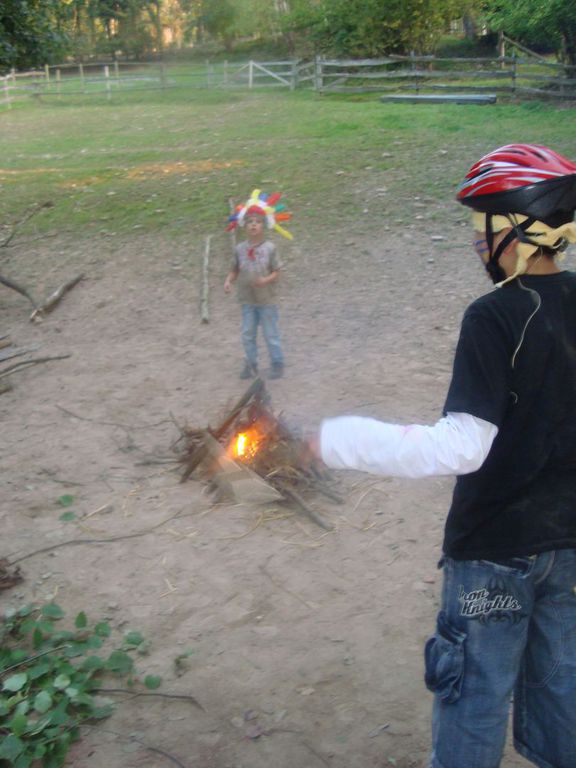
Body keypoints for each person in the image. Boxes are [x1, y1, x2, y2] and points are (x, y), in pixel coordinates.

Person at [311, 144, 576, 768]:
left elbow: (461, 446)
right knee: (561, 690)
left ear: (515, 228)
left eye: (482, 225)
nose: (476, 240)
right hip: (568, 547)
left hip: (493, 557)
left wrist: (332, 440)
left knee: (475, 698)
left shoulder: (494, 315)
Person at [224, 189, 292, 380]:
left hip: (267, 300)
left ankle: (277, 363)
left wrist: (265, 280)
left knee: (271, 334)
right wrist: (228, 280)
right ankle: (251, 364)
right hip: (247, 300)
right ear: (244, 225)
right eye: (250, 222)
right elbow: (235, 269)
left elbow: (277, 271)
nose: (253, 224)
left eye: (258, 222)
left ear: (264, 225)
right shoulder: (240, 249)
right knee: (247, 334)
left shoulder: (270, 248)